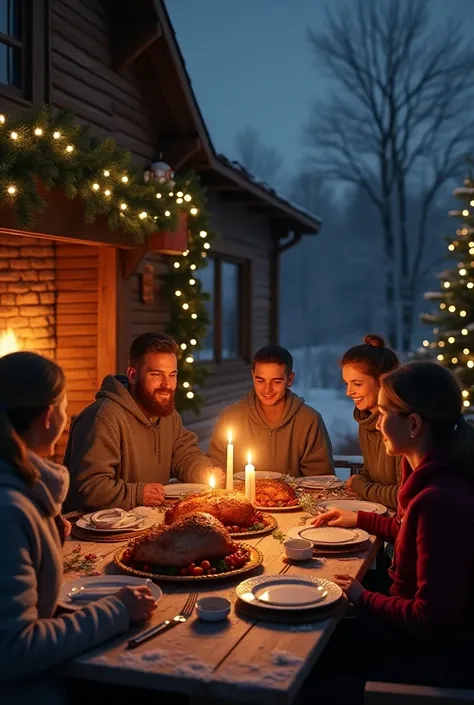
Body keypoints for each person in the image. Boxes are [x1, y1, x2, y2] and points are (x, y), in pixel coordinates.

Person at [0, 351, 156, 705]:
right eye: (65, 405)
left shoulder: (23, 495)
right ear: (47, 417)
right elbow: (12, 651)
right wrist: (116, 611)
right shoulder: (9, 511)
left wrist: (46, 537)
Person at [312, 361, 474, 690]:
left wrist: (362, 596)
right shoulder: (424, 476)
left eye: (384, 414)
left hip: (423, 658)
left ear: (413, 424)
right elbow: (410, 534)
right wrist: (359, 518)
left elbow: (430, 621)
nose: (378, 423)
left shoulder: (438, 500)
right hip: (403, 631)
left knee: (308, 656)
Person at [64, 332, 223, 512]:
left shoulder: (167, 415)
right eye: (156, 374)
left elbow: (184, 454)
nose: (167, 385)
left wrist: (204, 471)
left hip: (149, 523)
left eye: (172, 375)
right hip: (97, 534)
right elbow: (87, 488)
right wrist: (136, 494)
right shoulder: (102, 418)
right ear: (132, 375)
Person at [208, 344, 334, 477]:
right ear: (253, 375)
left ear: (290, 379)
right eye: (260, 380)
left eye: (276, 381)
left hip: (292, 497)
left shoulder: (309, 420)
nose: (267, 389)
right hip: (239, 496)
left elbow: (320, 480)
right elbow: (217, 469)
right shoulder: (231, 417)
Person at [341, 334, 400, 509]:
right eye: (346, 384)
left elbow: (405, 495)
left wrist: (361, 486)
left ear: (382, 381)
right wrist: (361, 480)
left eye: (357, 384)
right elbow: (372, 472)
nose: (348, 392)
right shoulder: (365, 422)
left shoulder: (401, 426)